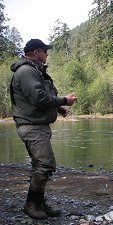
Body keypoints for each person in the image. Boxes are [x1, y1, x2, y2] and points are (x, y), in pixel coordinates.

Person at [9, 39, 77, 220]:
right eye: (45, 52)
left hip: (36, 125)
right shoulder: (26, 71)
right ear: (37, 52)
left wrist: (57, 108)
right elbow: (38, 97)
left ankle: (39, 203)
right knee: (46, 164)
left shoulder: (33, 70)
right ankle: (31, 204)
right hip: (31, 126)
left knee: (39, 166)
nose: (47, 55)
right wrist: (64, 100)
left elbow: (41, 97)